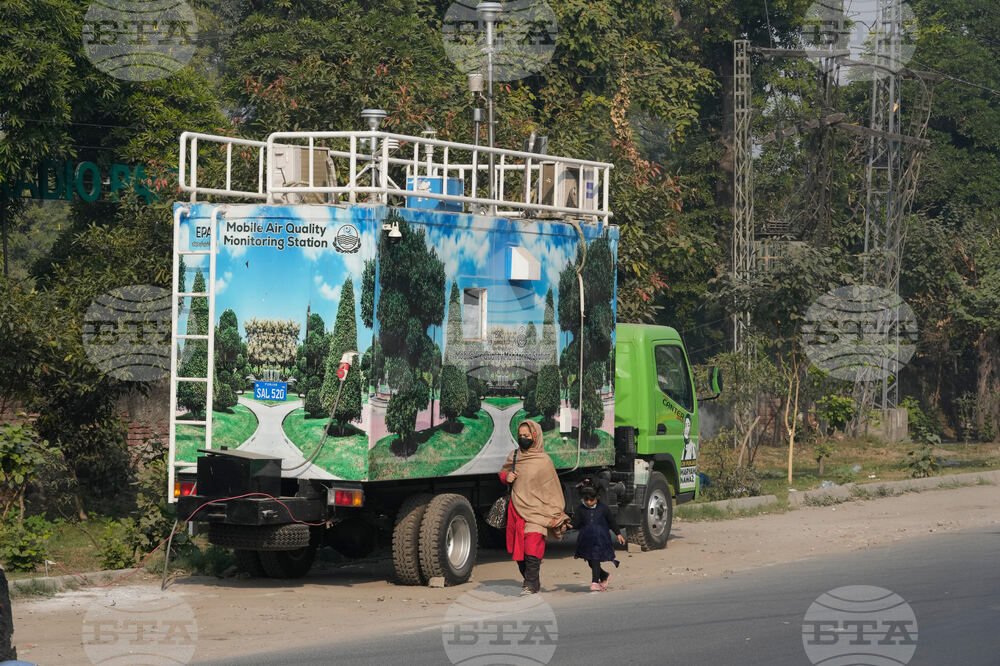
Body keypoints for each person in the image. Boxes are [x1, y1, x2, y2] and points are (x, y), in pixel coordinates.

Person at [499, 419, 570, 595]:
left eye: (527, 435)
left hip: (538, 512)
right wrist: (506, 477)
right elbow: (503, 472)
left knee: (532, 544)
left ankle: (529, 584)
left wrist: (556, 514)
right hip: (517, 509)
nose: (523, 438)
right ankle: (533, 581)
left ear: (535, 436)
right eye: (520, 436)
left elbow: (552, 488)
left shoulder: (544, 460)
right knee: (519, 553)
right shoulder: (514, 456)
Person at [571, 478, 625, 591]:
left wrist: (618, 534)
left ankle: (595, 582)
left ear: (597, 497)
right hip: (586, 540)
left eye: (592, 499)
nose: (589, 502)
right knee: (591, 561)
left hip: (601, 539)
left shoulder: (603, 508)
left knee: (595, 558)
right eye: (586, 500)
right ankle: (604, 575)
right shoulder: (580, 510)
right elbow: (575, 523)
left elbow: (612, 522)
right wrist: (566, 525)